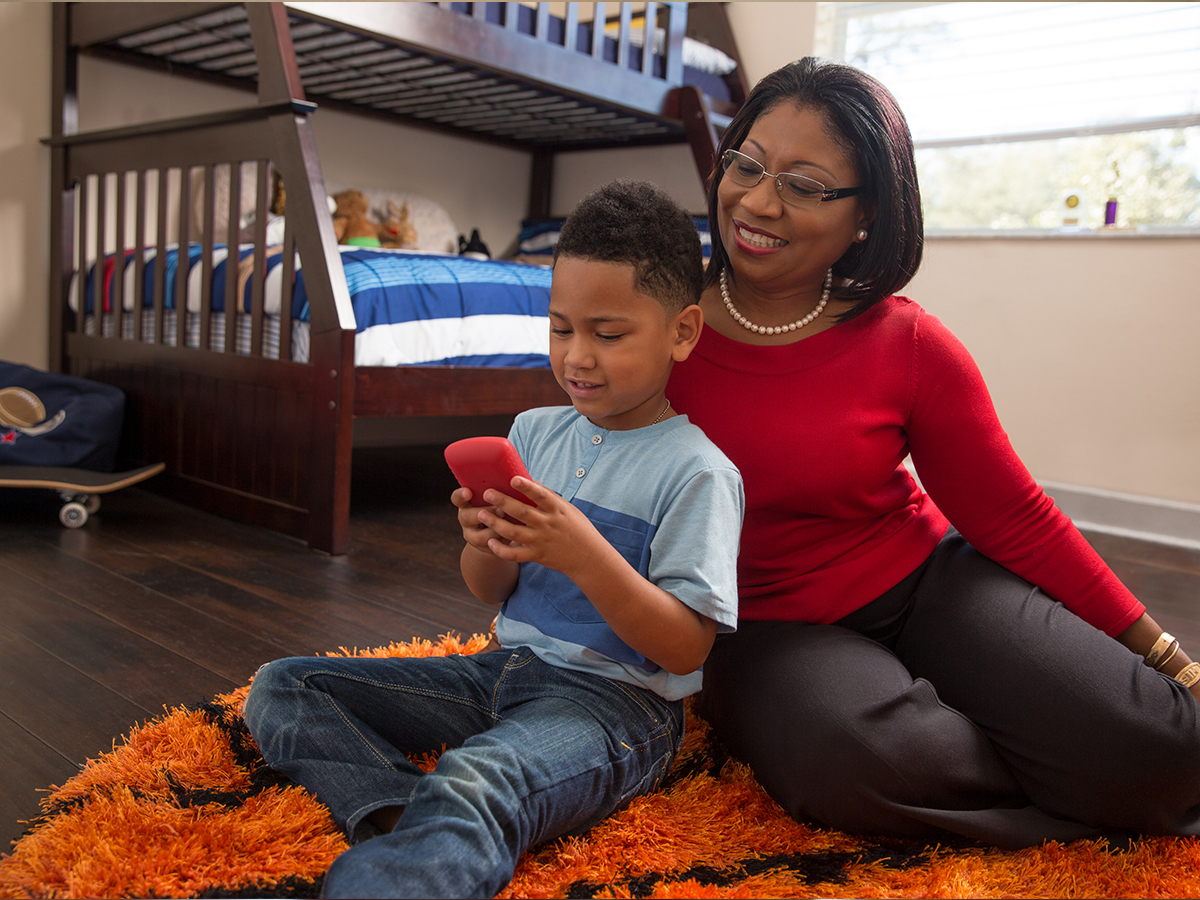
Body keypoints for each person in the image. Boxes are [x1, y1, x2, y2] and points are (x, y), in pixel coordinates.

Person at [666, 56, 1200, 850]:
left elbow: (1014, 514)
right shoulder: (661, 331)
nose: (758, 200)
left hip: (923, 582)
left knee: (1164, 745)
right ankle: (1081, 799)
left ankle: (1092, 779)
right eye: (746, 164)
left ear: (868, 216)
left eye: (806, 185)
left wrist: (1162, 654)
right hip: (763, 628)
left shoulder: (908, 343)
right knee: (862, 760)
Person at [243, 179, 744, 898]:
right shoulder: (534, 432)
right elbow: (489, 589)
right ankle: (408, 818)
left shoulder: (697, 472)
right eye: (560, 328)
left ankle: (417, 856)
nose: (576, 357)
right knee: (285, 686)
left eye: (608, 335)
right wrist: (483, 539)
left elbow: (684, 648)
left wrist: (584, 554)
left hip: (615, 708)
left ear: (683, 332)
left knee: (481, 774)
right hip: (500, 670)